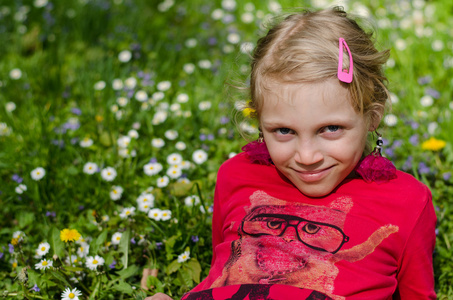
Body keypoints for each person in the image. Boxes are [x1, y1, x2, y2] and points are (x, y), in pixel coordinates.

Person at [147, 7, 436, 300]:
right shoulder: (236, 174)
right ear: (259, 121)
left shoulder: (406, 200)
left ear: (372, 117)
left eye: (331, 128)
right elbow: (221, 274)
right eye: (284, 131)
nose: (307, 156)